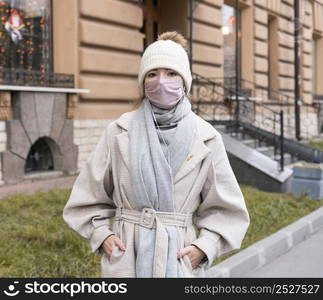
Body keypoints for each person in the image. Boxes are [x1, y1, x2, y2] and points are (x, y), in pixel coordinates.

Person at [63, 31, 250, 278]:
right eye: (152, 74)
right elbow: (86, 197)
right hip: (126, 256)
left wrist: (203, 248)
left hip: (179, 259)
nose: (161, 81)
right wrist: (102, 235)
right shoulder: (119, 131)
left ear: (184, 80)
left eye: (171, 73)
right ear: (143, 82)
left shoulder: (205, 137)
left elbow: (228, 209)